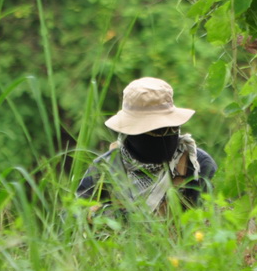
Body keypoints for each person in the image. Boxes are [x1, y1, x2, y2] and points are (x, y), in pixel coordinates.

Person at [77, 77, 217, 216]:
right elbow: (75, 216)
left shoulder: (197, 165)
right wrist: (109, 216)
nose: (166, 136)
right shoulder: (105, 169)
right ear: (132, 132)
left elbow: (216, 218)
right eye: (157, 130)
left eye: (172, 128)